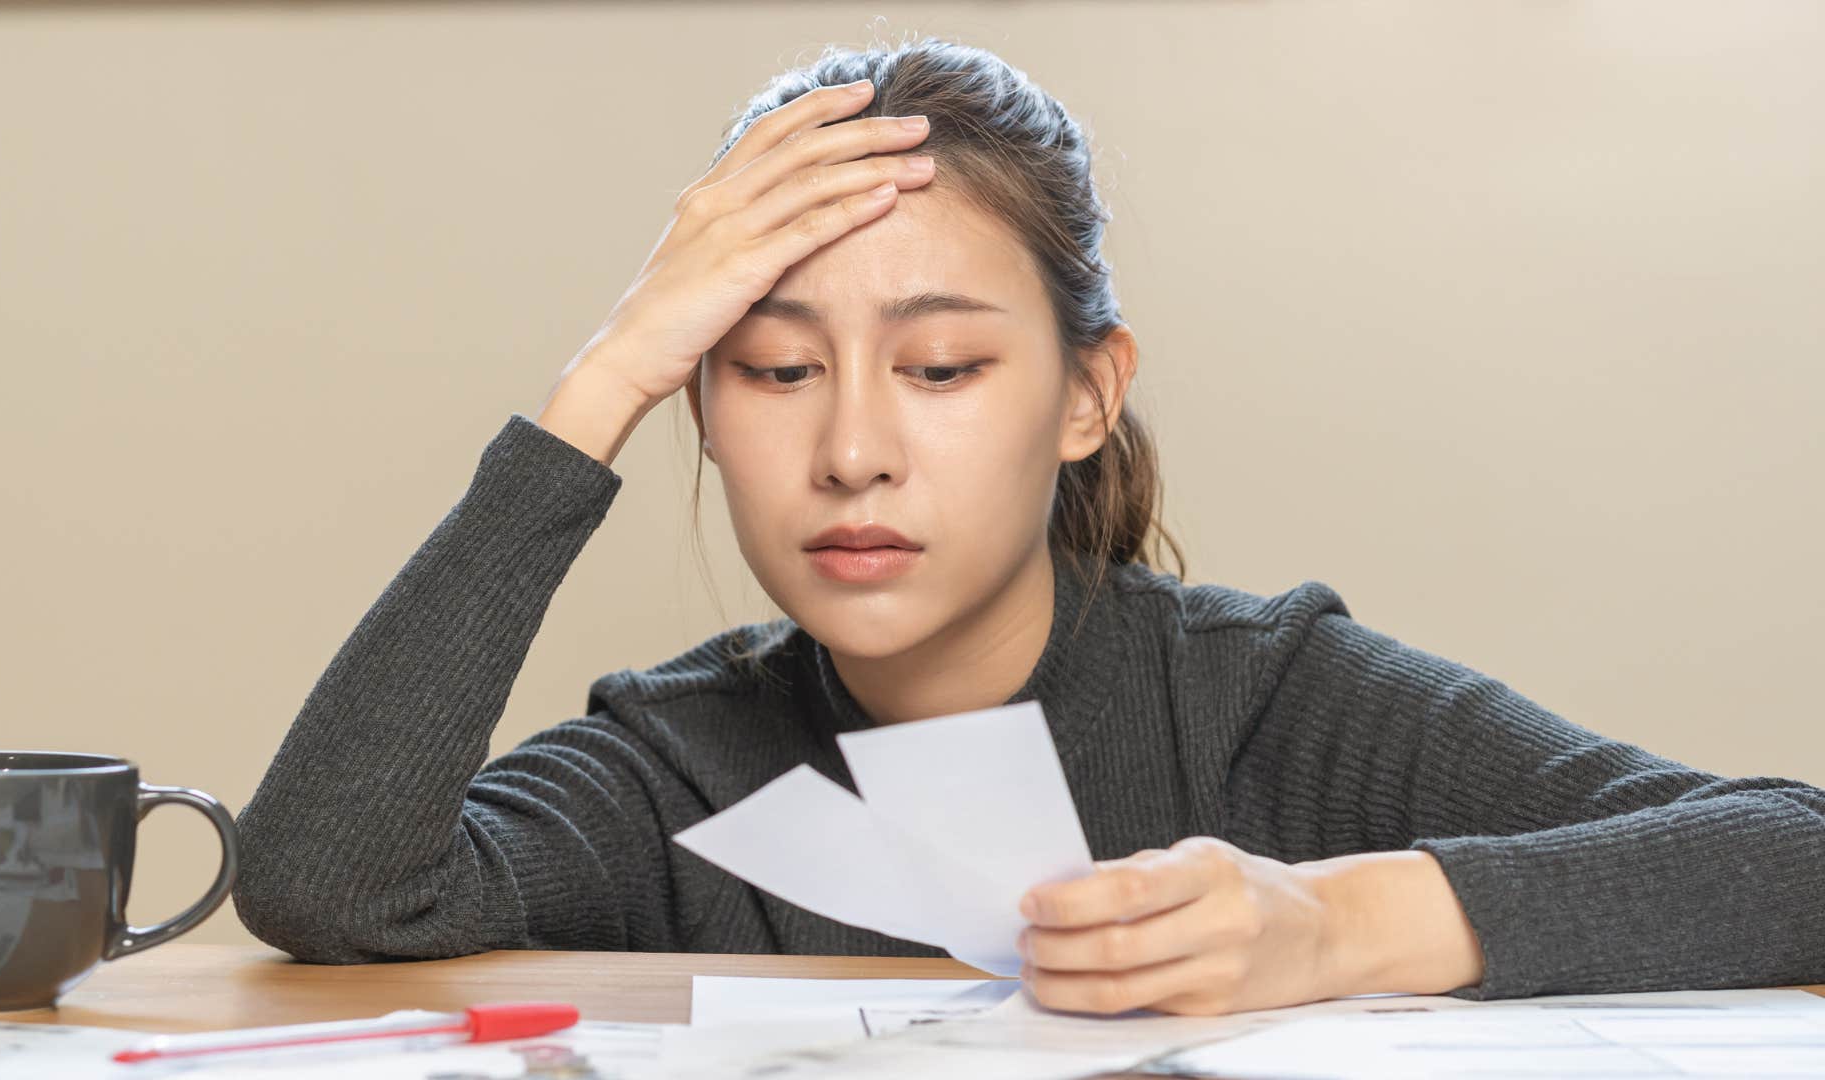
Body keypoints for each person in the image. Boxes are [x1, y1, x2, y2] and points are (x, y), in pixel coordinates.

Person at [231, 37, 1825, 1018]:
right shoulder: (681, 763)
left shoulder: (1270, 699)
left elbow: (1798, 858)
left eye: (940, 368)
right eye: (774, 371)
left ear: (1084, 396)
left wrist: (1336, 923)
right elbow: (331, 886)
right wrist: (605, 379)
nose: (851, 449)